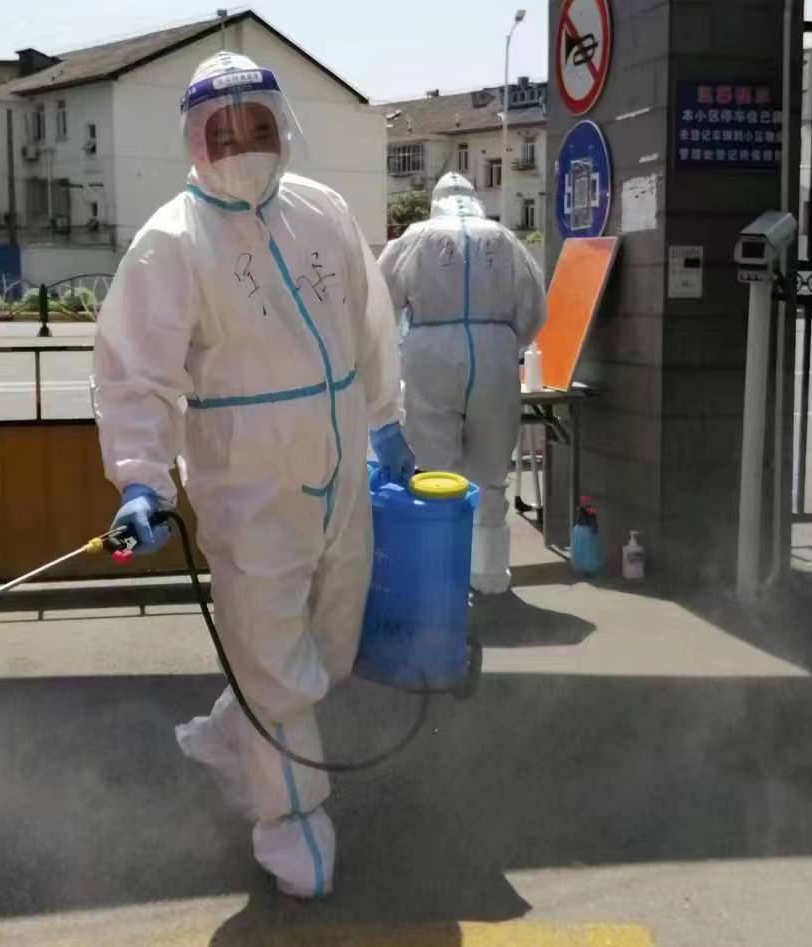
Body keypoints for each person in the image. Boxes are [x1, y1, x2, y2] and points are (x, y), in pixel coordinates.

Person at [91, 51, 412, 900]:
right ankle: (290, 822)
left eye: (258, 126)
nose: (243, 145)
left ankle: (239, 726)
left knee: (328, 647)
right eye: (222, 133)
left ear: (283, 128)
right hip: (248, 486)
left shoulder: (322, 210)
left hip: (341, 476)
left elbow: (371, 321)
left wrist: (385, 417)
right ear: (194, 141)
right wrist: (141, 479)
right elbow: (134, 374)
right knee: (274, 661)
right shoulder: (170, 243)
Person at [378, 172, 546, 594]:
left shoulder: (415, 237)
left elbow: (379, 304)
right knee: (491, 473)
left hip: (429, 354)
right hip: (495, 354)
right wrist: (507, 343)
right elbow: (533, 308)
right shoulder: (505, 240)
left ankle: (438, 581)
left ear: (436, 201)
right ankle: (489, 576)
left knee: (435, 473)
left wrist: (397, 347)